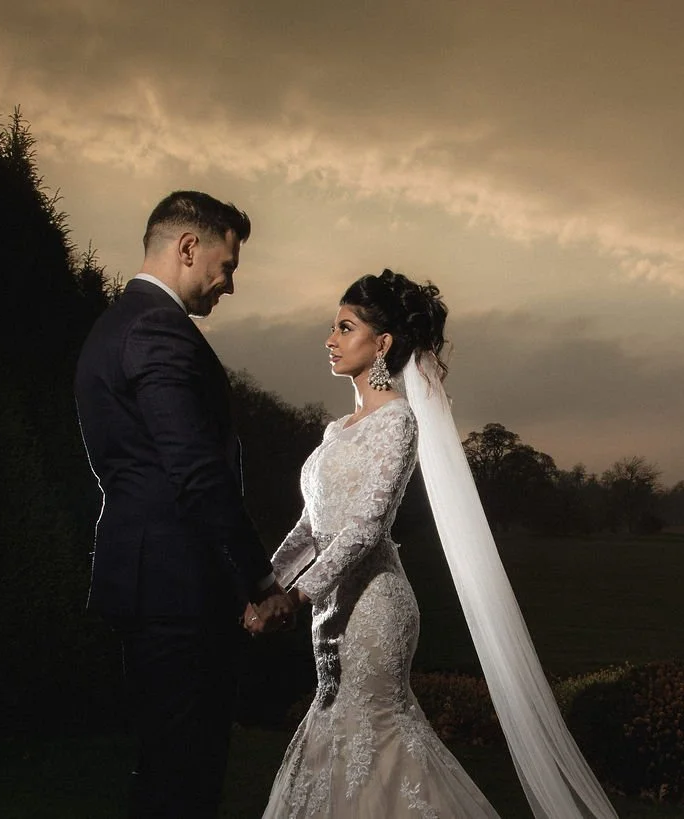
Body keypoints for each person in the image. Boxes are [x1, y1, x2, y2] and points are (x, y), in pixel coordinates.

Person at [255, 270, 619, 818]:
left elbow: (365, 528)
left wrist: (298, 595)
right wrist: (263, 584)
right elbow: (310, 525)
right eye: (331, 326)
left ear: (381, 344)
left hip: (374, 608)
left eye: (345, 327)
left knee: (375, 735)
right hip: (329, 608)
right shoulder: (337, 431)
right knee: (335, 733)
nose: (329, 338)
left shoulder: (397, 422)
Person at [74, 191, 294, 818]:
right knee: (185, 778)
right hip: (178, 587)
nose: (228, 284)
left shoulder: (115, 323)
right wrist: (259, 579)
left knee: (166, 769)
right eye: (226, 266)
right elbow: (197, 471)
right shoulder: (156, 330)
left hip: (146, 578)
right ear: (188, 247)